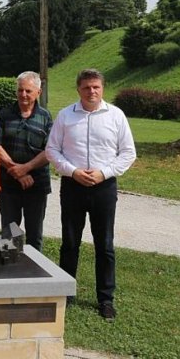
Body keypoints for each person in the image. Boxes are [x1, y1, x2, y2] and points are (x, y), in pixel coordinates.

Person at [46, 69, 136, 321]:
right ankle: (66, 293)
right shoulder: (66, 116)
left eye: (96, 87)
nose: (91, 91)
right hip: (73, 186)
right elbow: (52, 149)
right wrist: (73, 171)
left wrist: (104, 173)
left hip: (103, 188)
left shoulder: (116, 116)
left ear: (103, 88)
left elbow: (128, 153)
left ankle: (105, 299)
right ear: (79, 89)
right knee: (70, 243)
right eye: (86, 87)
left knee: (105, 245)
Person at [0, 71, 53, 252]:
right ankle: (9, 275)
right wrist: (17, 172)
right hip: (8, 184)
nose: (23, 95)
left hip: (37, 186)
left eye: (28, 91)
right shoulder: (5, 115)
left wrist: (26, 168)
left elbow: (50, 150)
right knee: (9, 234)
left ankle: (35, 277)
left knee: (35, 236)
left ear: (38, 92)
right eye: (20, 90)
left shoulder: (45, 117)